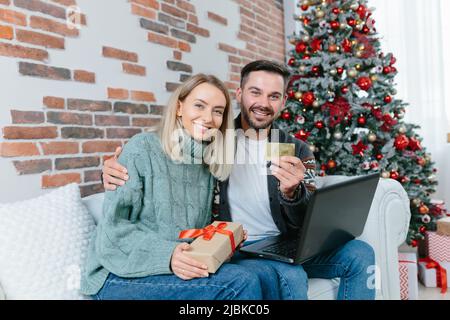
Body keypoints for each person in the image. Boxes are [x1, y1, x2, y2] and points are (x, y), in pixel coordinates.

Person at [102, 61, 376, 300]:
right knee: (291, 277)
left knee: (360, 253)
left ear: (283, 102)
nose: (263, 103)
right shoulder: (215, 140)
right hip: (241, 249)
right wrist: (113, 166)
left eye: (274, 96)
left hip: (286, 243)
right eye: (255, 92)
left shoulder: (296, 150)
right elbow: (171, 151)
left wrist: (293, 193)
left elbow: (307, 221)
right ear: (240, 94)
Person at [80, 74, 266, 300]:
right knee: (239, 282)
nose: (208, 118)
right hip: (117, 273)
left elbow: (192, 232)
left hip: (175, 265)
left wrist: (222, 245)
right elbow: (113, 230)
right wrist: (168, 255)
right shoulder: (143, 148)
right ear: (179, 107)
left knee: (262, 273)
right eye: (199, 105)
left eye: (217, 111)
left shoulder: (205, 163)